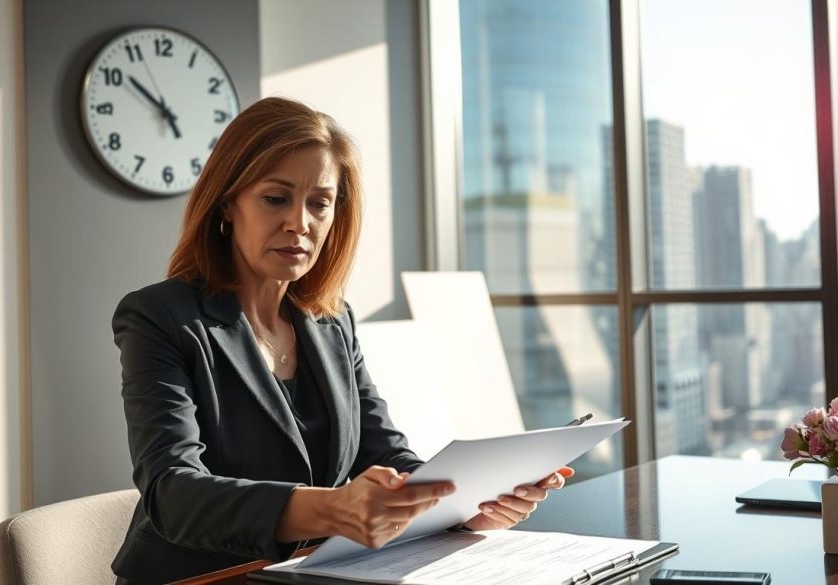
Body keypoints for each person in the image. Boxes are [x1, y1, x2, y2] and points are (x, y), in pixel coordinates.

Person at [110, 96, 573, 585]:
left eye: (319, 203)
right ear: (228, 203)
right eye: (275, 198)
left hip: (312, 573)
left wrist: (464, 507)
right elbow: (172, 492)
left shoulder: (331, 323)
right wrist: (332, 509)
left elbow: (385, 453)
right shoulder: (159, 317)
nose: (300, 223)